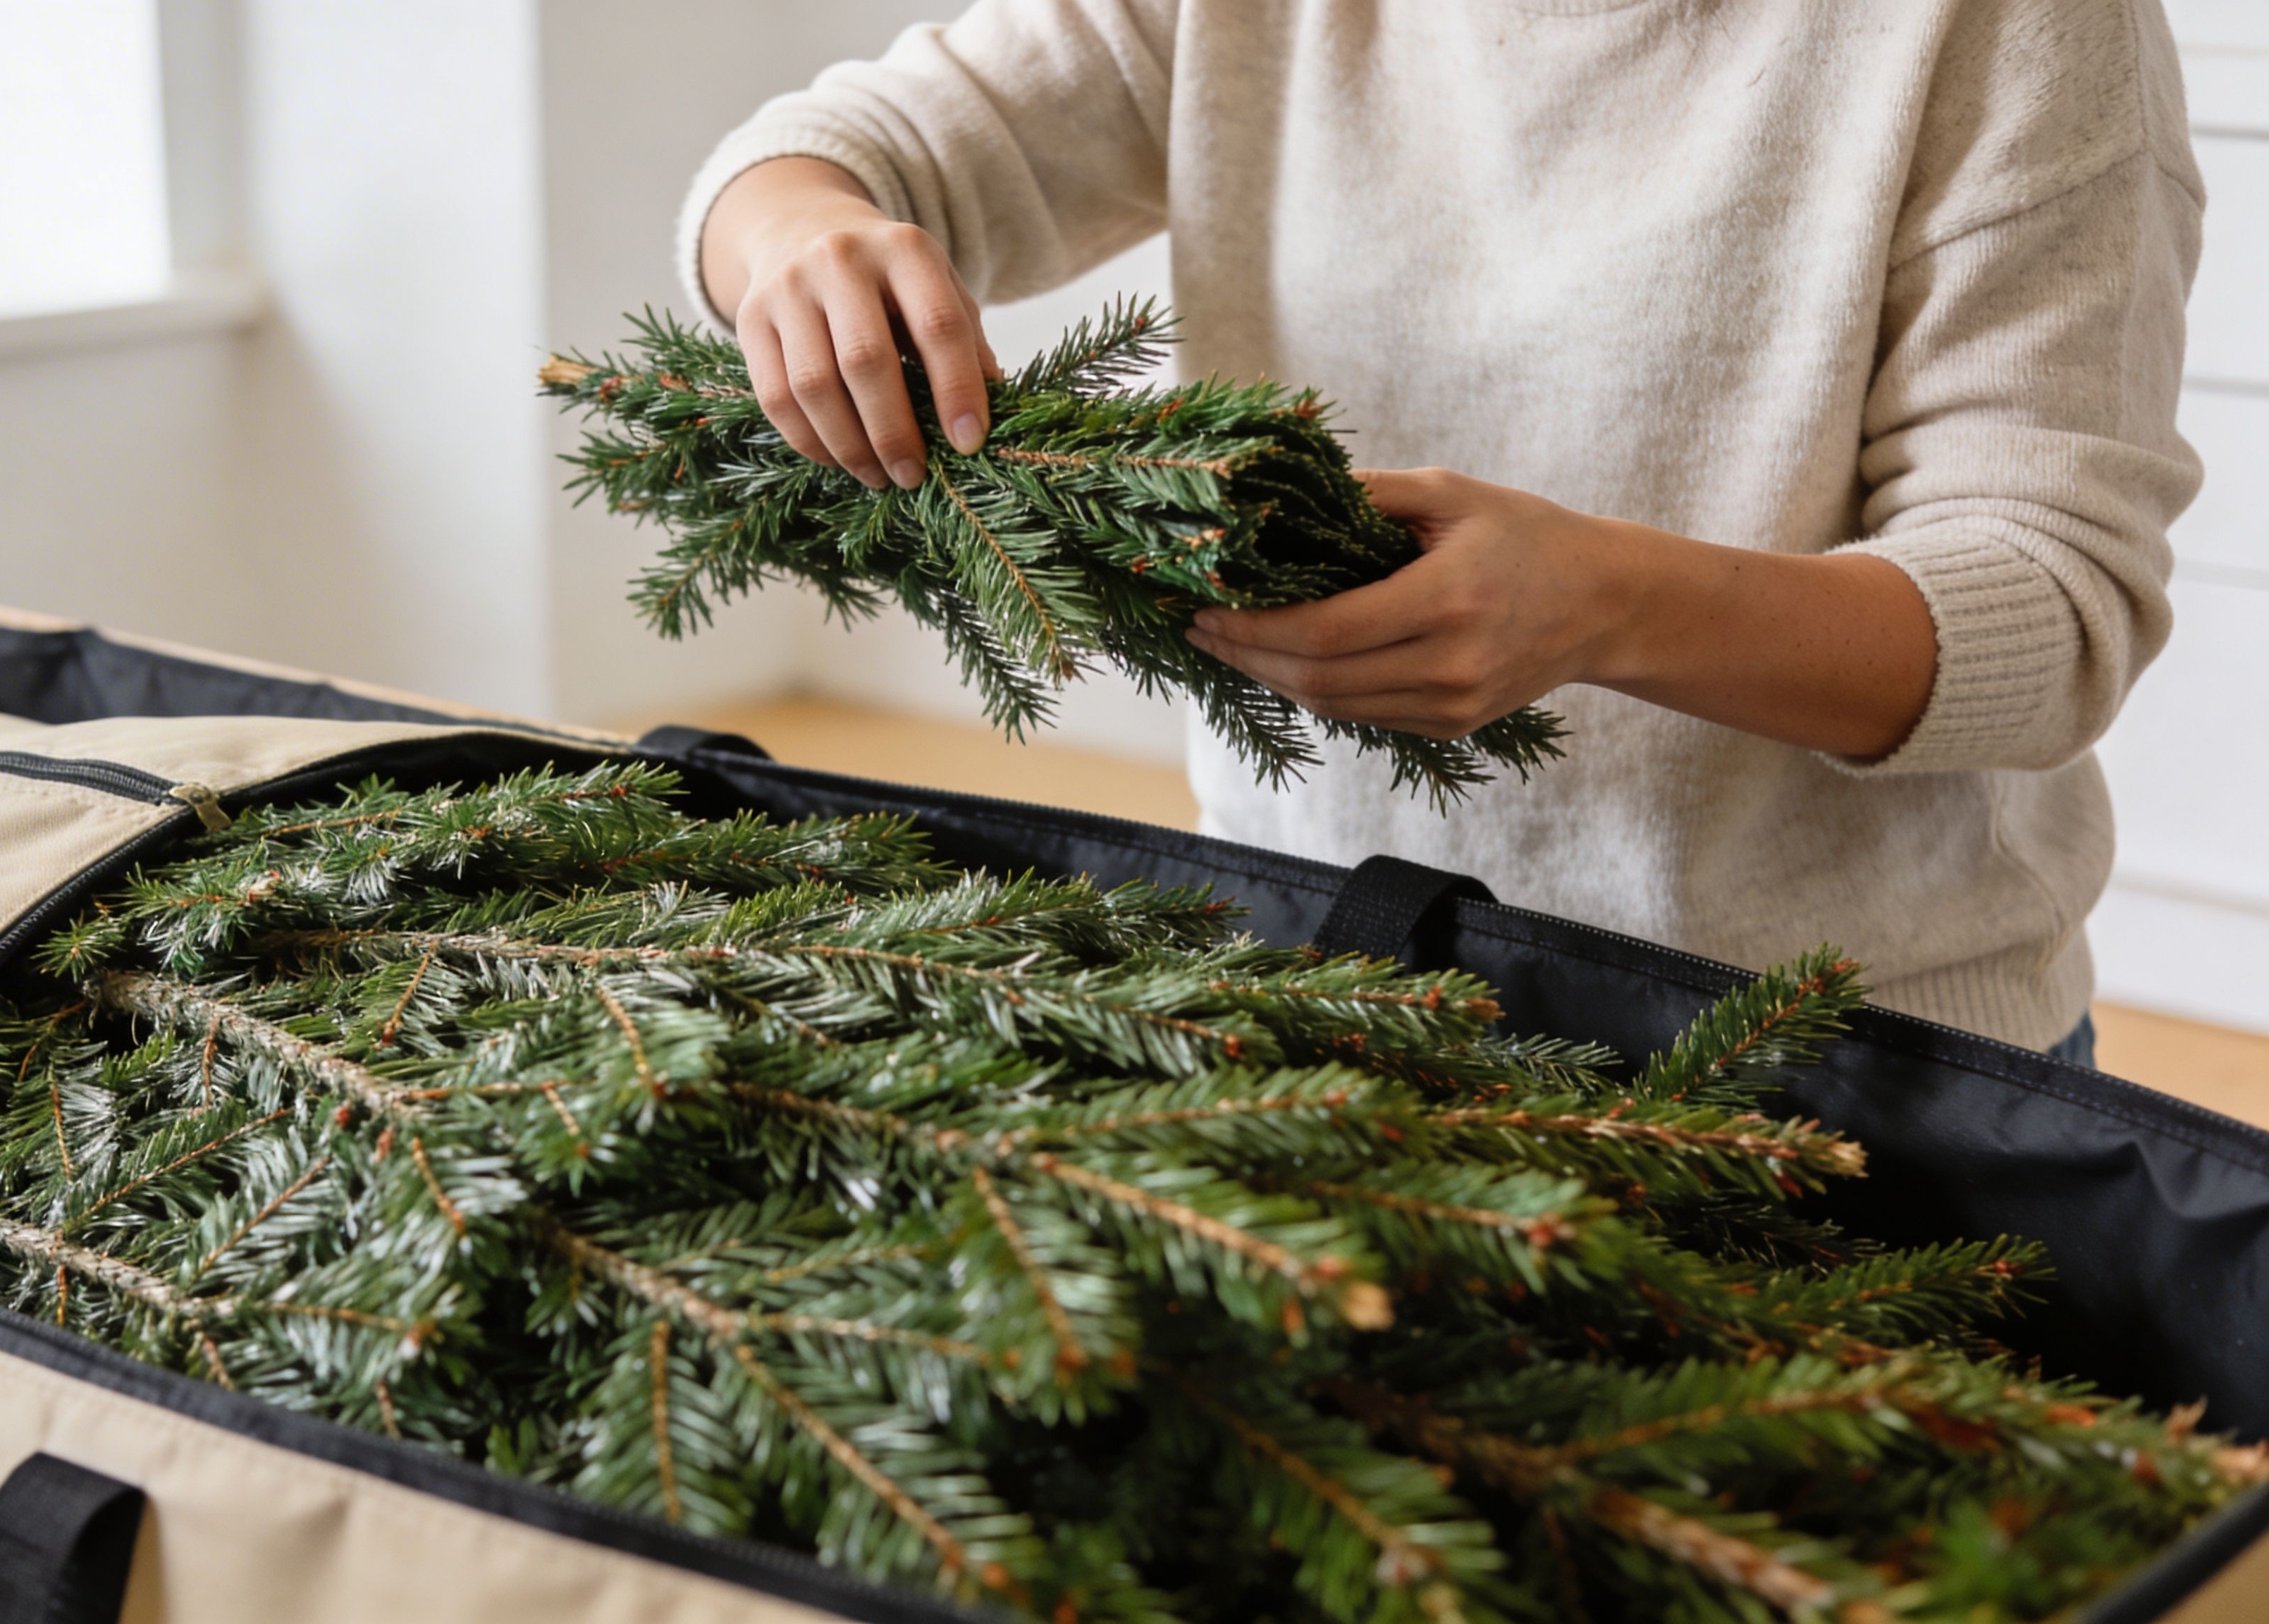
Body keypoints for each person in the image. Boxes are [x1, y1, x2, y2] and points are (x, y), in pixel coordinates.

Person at [678, 0, 2203, 1065]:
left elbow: (2047, 613)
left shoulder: (2014, 23)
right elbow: (826, 155)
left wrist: (1605, 609)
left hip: (1844, 1054)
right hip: (1323, 976)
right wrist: (800, 234)